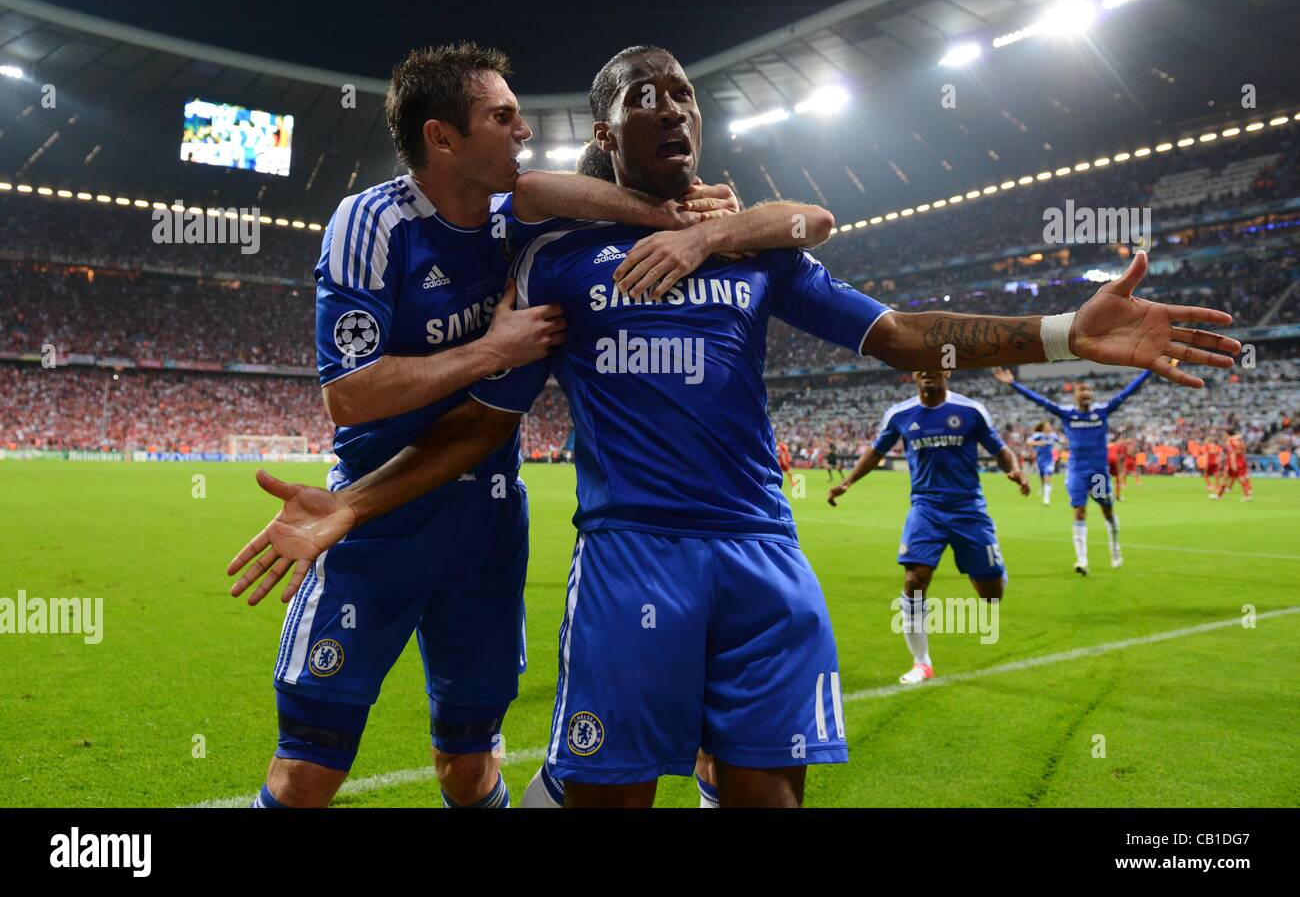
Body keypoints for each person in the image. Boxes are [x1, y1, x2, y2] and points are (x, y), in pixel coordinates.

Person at [227, 45, 1238, 807]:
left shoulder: (757, 252)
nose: (670, 107)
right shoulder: (555, 261)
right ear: (606, 133)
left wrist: (1061, 329)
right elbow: (479, 424)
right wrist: (349, 506)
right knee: (604, 796)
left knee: (766, 797)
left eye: (683, 94)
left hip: (761, 556)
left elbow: (899, 337)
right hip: (630, 562)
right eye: (642, 96)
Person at [233, 42, 746, 810]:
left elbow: (559, 190)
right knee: (308, 770)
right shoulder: (372, 222)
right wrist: (490, 351)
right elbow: (351, 393)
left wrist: (686, 220)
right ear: (442, 138)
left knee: (467, 765)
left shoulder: (518, 223)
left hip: (487, 528)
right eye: (503, 117)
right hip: (373, 517)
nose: (524, 132)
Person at [827, 371, 1029, 683]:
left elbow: (1000, 449)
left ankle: (994, 569)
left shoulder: (970, 411)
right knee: (914, 581)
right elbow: (876, 452)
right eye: (921, 367)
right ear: (914, 374)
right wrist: (846, 483)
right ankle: (922, 662)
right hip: (926, 508)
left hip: (968, 508)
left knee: (991, 595)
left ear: (946, 371)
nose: (928, 372)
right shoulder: (899, 414)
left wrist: (1014, 470)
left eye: (935, 366)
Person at [993, 369, 1152, 574]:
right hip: (1077, 471)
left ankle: (1114, 546)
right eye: (1082, 391)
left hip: (1098, 474)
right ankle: (1082, 560)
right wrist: (1013, 384)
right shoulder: (1068, 414)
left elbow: (1130, 391)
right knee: (1079, 511)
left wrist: (1149, 371)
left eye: (1088, 391)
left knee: (1107, 511)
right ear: (1076, 395)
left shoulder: (1102, 411)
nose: (1086, 393)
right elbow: (1041, 401)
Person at [1025, 420, 1061, 505]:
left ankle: (1046, 499)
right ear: (1043, 428)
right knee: (1042, 477)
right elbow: (1028, 442)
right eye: (1047, 426)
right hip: (1040, 460)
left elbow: (1061, 441)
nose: (1049, 427)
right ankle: (1042, 488)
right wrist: (1038, 443)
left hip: (1049, 460)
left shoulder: (1053, 436)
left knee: (1047, 475)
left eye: (1050, 426)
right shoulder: (1038, 435)